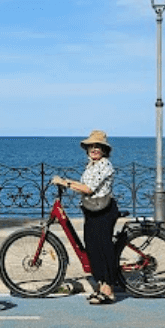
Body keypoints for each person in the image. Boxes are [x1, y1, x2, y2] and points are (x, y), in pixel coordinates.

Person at [52, 130, 120, 305]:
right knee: (92, 248)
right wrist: (66, 181)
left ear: (104, 150)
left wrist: (65, 182)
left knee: (103, 248)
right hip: (92, 210)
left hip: (103, 211)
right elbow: (83, 185)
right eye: (92, 146)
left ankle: (109, 290)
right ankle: (101, 285)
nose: (94, 149)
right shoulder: (91, 165)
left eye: (98, 146)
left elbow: (88, 189)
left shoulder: (105, 165)